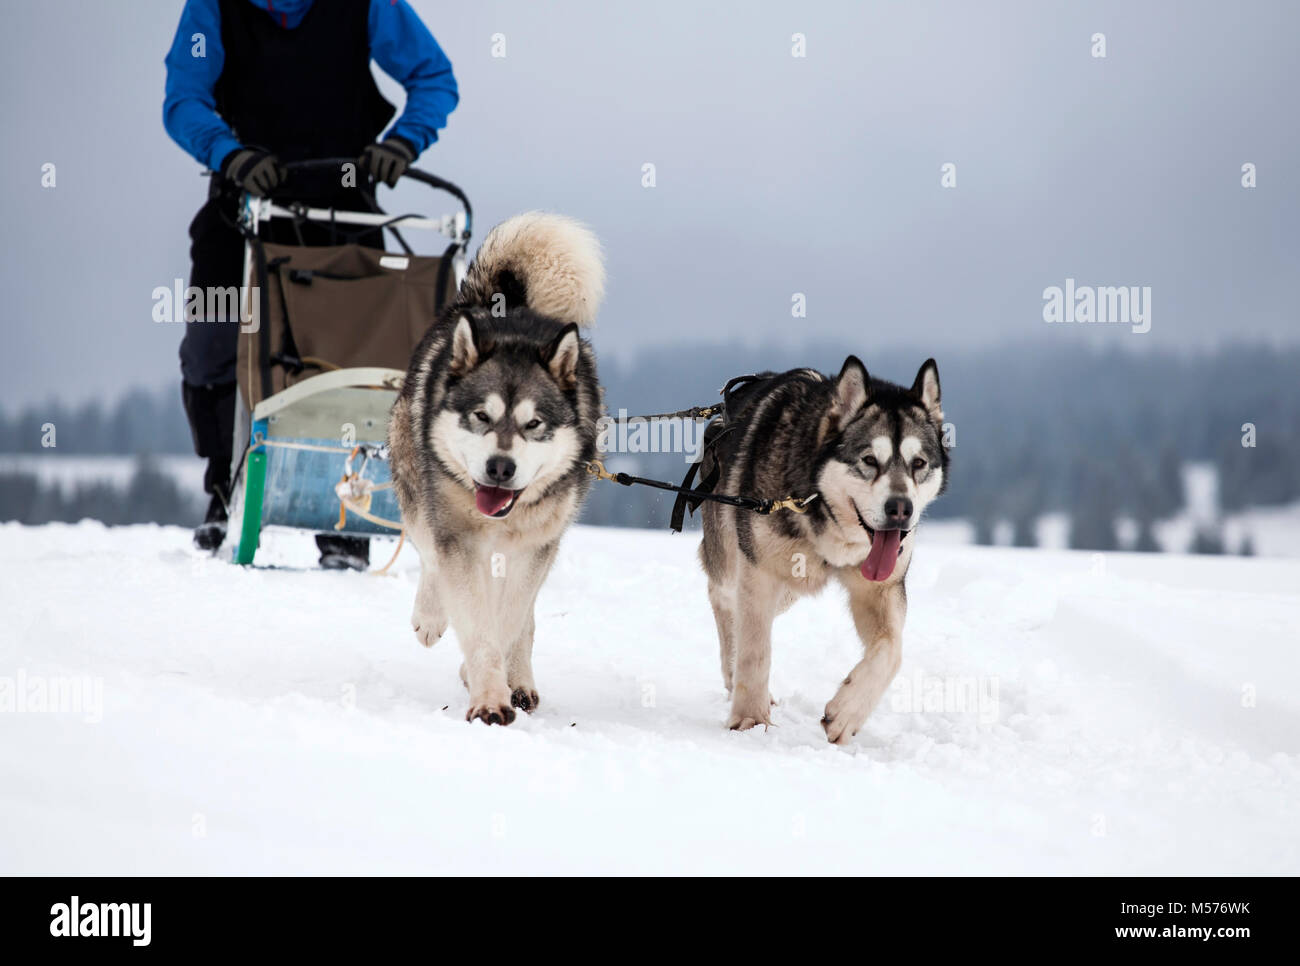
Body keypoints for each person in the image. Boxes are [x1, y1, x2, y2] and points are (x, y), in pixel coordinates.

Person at [163, 0, 458, 568]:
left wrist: (404, 142)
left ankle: (349, 515)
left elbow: (434, 78)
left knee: (352, 365)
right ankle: (224, 489)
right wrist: (230, 153)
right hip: (240, 207)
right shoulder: (212, 9)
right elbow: (184, 100)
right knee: (210, 350)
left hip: (343, 212)